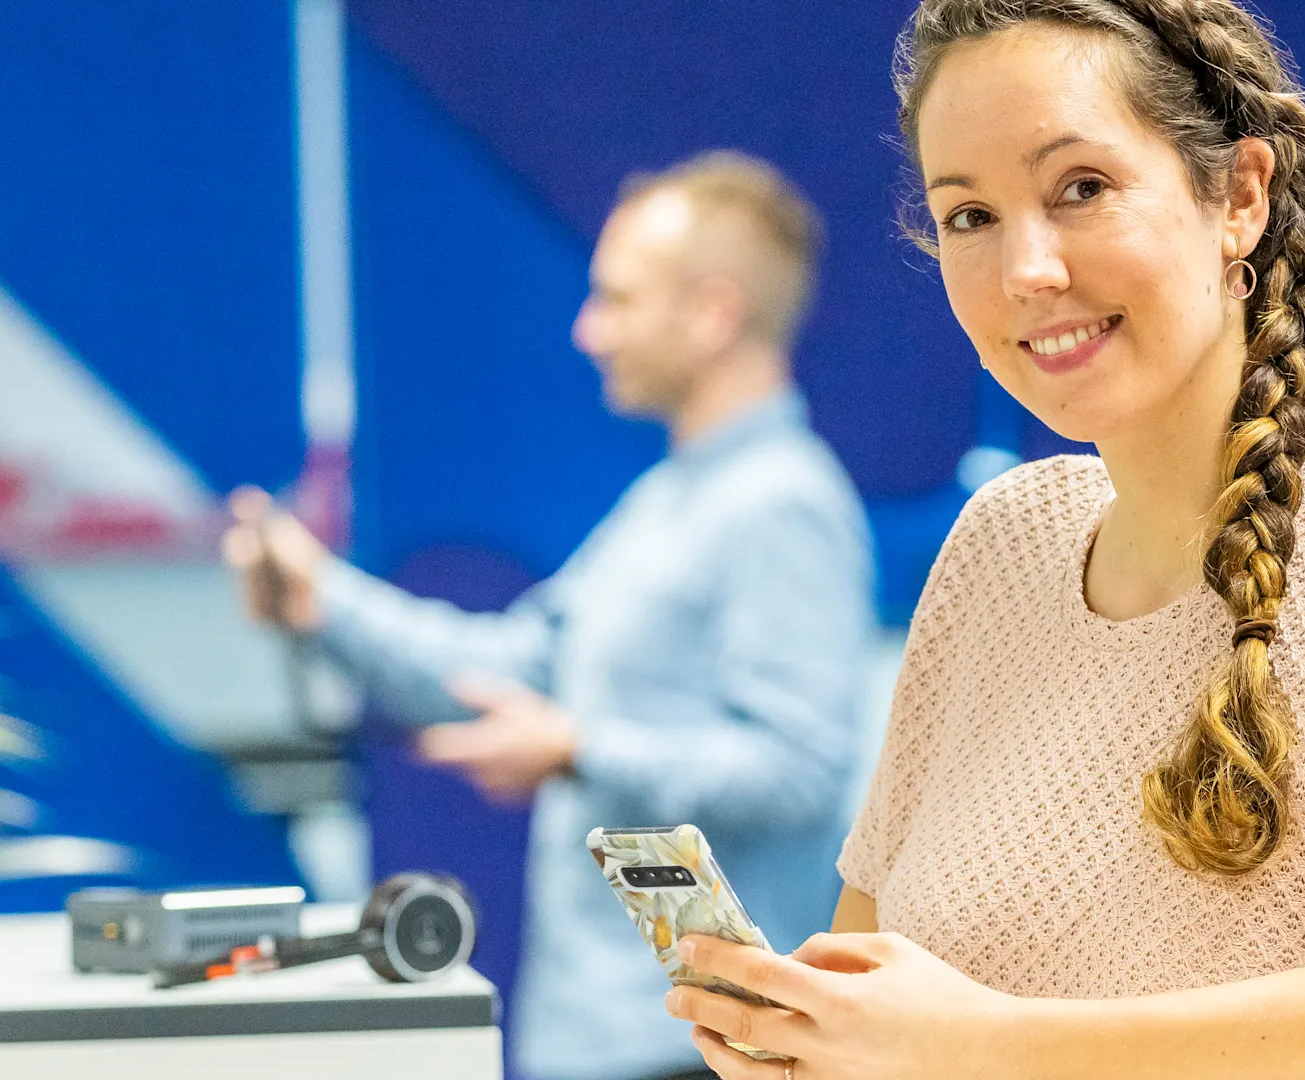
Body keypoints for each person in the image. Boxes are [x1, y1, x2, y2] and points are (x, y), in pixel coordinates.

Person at [659, 4, 1305, 1079]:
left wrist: (995, 1049)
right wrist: (812, 1044)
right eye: (969, 216)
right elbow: (890, 992)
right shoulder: (1001, 545)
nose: (1026, 268)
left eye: (1082, 189)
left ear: (1241, 196)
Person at [225, 151, 874, 1080]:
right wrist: (319, 599)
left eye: (615, 299)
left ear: (712, 313)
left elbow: (798, 769)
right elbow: (507, 666)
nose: (587, 330)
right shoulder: (665, 504)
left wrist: (579, 747)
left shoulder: (782, 505)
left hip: (699, 1049)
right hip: (607, 1037)